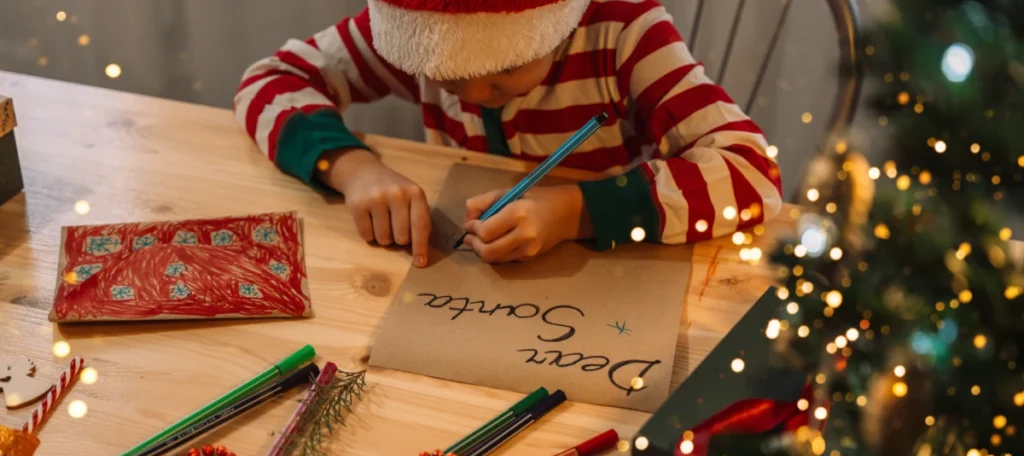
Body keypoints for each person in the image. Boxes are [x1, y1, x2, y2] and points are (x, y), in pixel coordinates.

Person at [233, 0, 782, 267]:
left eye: (502, 78)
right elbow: (270, 79)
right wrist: (353, 169)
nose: (470, 97)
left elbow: (754, 174)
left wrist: (578, 212)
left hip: (616, 274)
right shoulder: (419, 32)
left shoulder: (624, 32)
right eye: (445, 78)